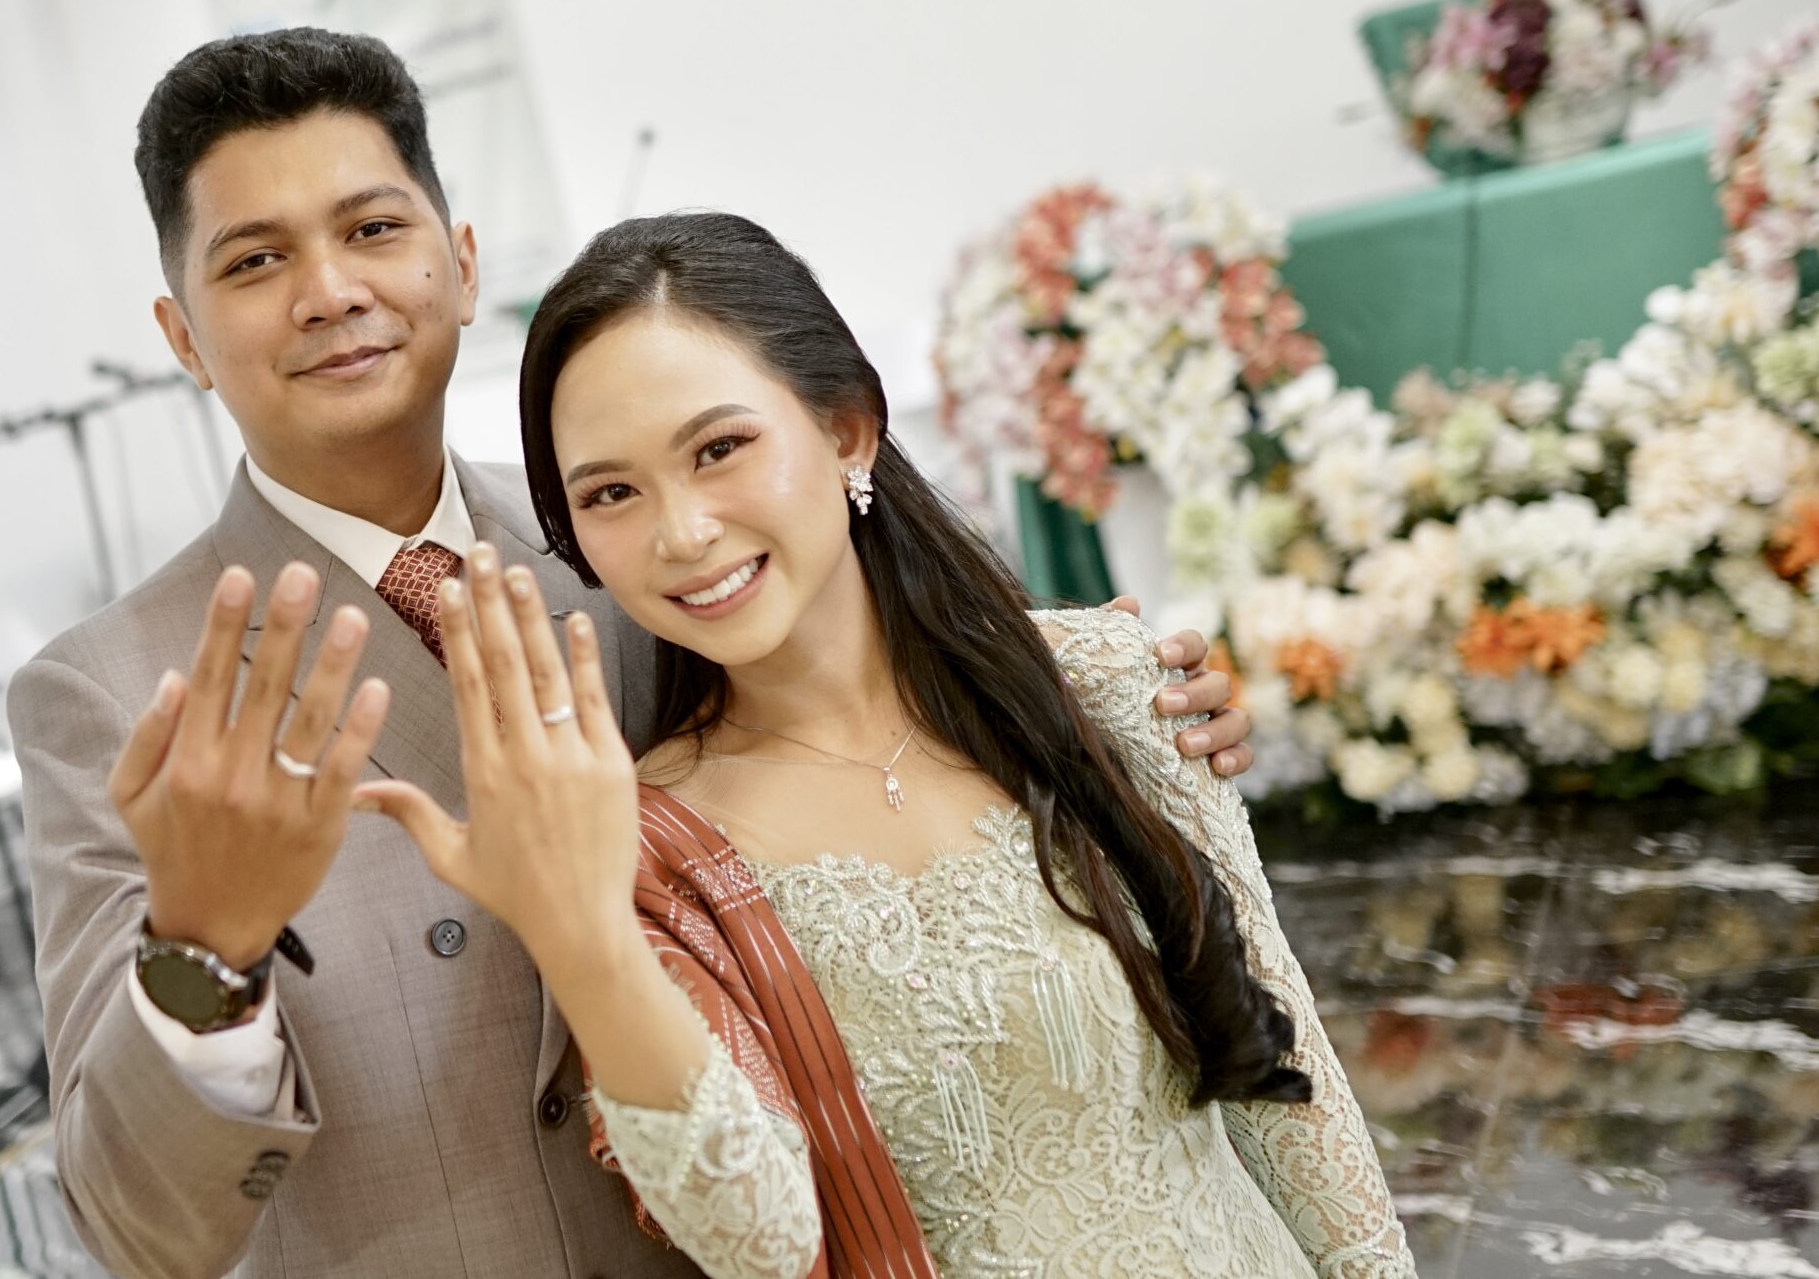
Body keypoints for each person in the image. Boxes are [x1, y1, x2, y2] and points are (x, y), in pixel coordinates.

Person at [6, 29, 1255, 1279]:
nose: (329, 290)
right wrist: (203, 949)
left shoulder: (629, 539)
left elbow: (876, 689)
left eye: (373, 229)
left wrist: (1110, 699)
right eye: (255, 259)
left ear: (461, 264)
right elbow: (134, 1229)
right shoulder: (110, 694)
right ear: (182, 335)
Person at [359, 211, 1413, 1277]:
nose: (681, 533)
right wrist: (582, 939)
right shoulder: (650, 846)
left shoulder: (1101, 683)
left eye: (719, 449)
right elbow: (759, 1240)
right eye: (612, 493)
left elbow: (1293, 1094)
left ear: (847, 431)